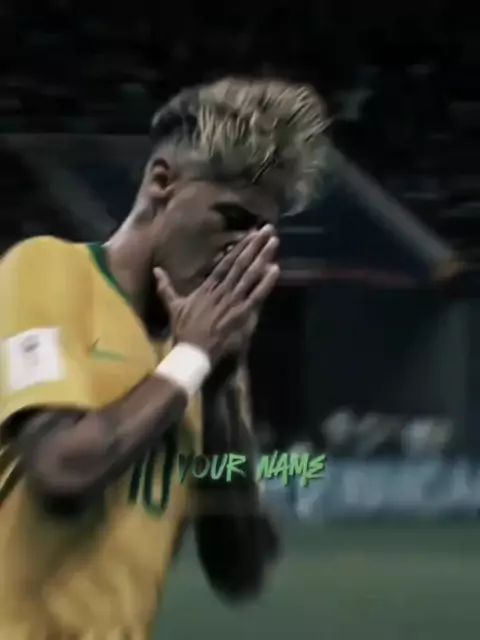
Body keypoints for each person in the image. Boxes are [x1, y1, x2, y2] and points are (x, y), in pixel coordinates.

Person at [0, 76, 328, 638]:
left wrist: (221, 393)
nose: (243, 251)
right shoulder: (48, 271)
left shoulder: (201, 361)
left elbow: (240, 571)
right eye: (232, 219)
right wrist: (191, 359)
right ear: (162, 183)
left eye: (261, 235)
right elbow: (60, 471)